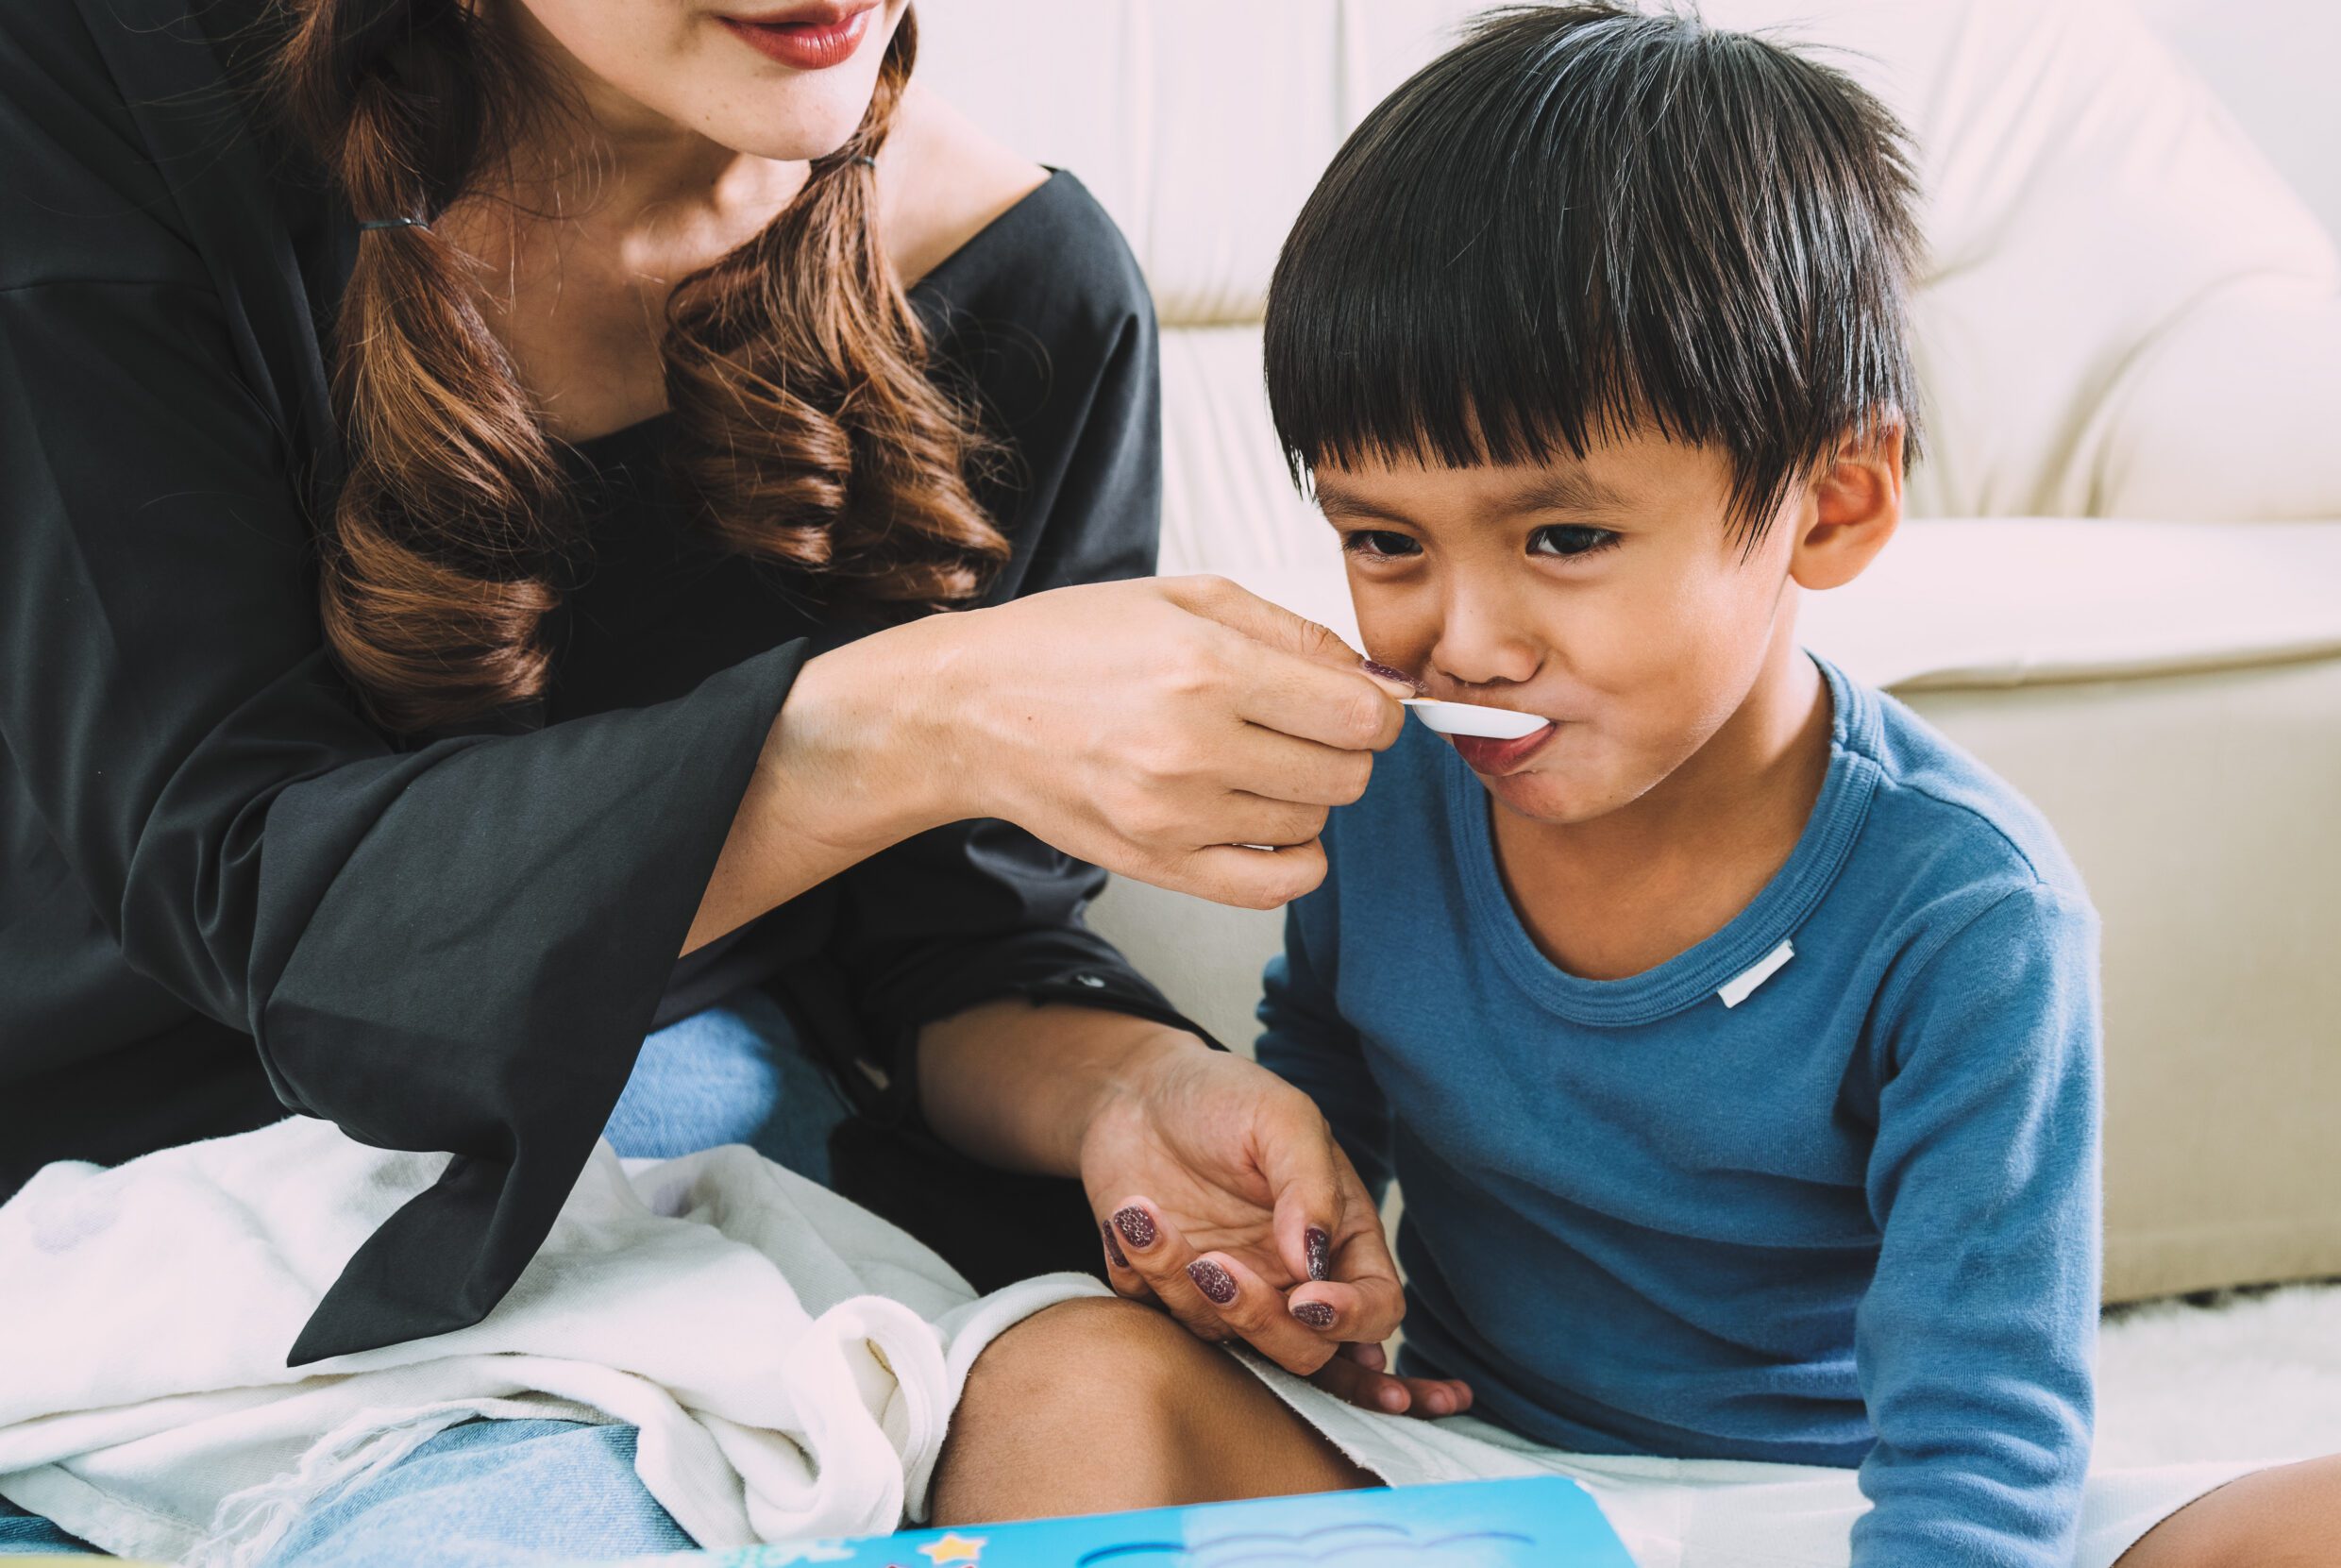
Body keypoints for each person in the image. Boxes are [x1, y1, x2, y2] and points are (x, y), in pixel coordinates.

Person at [0, 0, 1398, 1556]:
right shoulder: (96, 93)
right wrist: (902, 716)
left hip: (712, 1158)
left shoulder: (1026, 282)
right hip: (148, 1196)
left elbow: (953, 949)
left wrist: (1132, 1091)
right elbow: (254, 896)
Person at [1166, 7, 2341, 1567]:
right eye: (1385, 542)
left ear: (1836, 501)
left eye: (1563, 540)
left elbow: (1987, 1437)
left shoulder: (1970, 912)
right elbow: (1329, 1061)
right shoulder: (1388, 788)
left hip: (1851, 1515)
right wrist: (1313, 1292)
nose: (1461, 641)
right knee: (1059, 1382)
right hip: (1473, 1479)